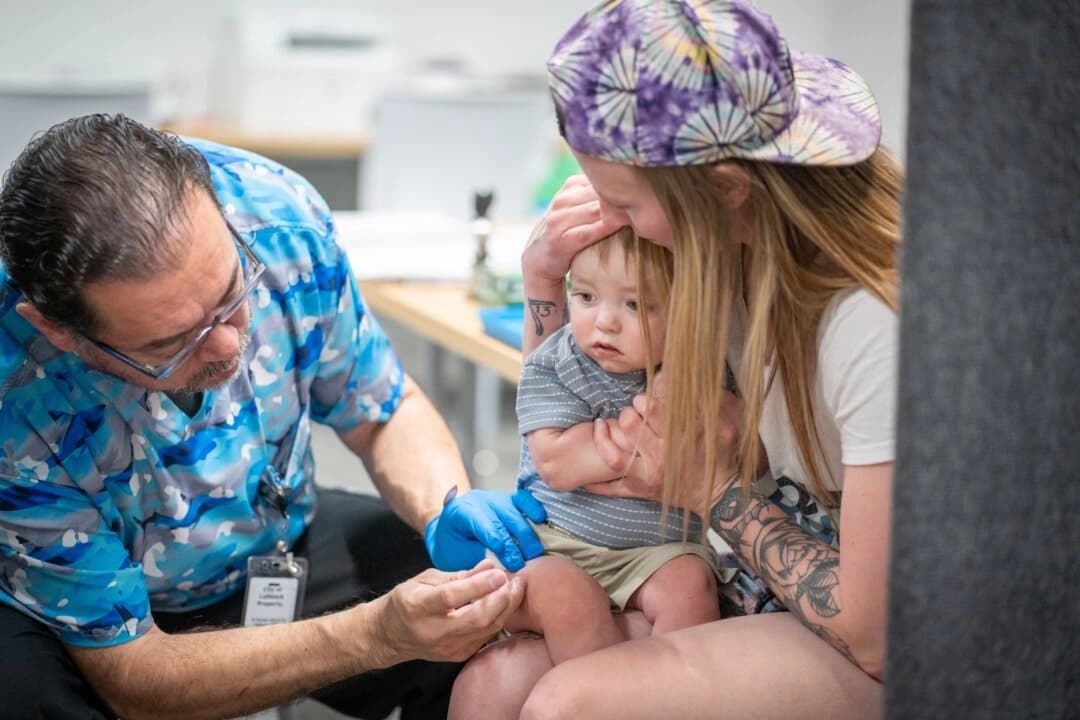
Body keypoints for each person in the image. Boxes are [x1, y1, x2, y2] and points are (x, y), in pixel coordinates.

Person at [0, 114, 548, 720]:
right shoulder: (15, 393)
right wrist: (373, 636)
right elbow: (135, 675)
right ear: (60, 332)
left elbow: (383, 412)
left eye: (233, 294)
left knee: (489, 613)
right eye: (172, 344)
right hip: (91, 617)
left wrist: (447, 507)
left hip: (276, 539)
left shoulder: (277, 216)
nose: (230, 349)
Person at [446, 1, 901, 718]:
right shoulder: (716, 266)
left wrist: (715, 490)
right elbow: (569, 401)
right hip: (755, 584)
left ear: (725, 190)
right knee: (490, 686)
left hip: (885, 640)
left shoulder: (870, 324)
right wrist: (543, 280)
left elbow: (875, 632)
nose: (605, 222)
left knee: (570, 703)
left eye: (621, 202)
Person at [451, 228, 724, 715]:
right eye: (586, 296)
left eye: (636, 305)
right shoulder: (556, 362)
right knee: (563, 591)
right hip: (559, 545)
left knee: (691, 586)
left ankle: (676, 703)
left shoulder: (698, 368)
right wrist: (649, 438)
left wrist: (630, 433)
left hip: (657, 550)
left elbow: (720, 447)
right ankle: (609, 703)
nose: (605, 322)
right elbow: (556, 462)